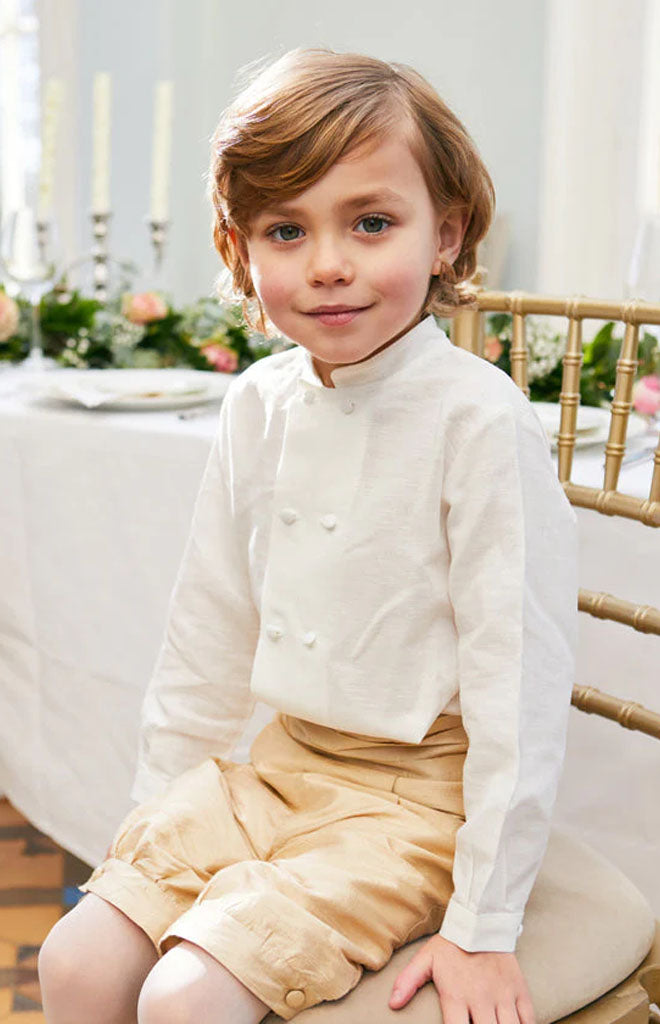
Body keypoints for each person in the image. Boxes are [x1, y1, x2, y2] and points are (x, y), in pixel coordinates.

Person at [37, 46, 578, 1024]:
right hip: (280, 769)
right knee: (76, 960)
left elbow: (521, 694)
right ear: (241, 252)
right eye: (286, 230)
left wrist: (483, 925)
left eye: (372, 222)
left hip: (415, 806)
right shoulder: (257, 405)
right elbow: (206, 633)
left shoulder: (479, 423)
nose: (329, 264)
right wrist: (156, 819)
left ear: (446, 233)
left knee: (184, 998)